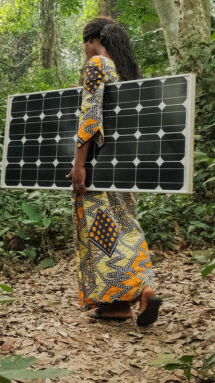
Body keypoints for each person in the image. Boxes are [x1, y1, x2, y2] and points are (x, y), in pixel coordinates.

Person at [66, 17, 161, 325]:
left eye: (85, 44)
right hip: (124, 168)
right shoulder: (124, 71)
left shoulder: (96, 64)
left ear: (93, 41)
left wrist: (79, 164)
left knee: (102, 235)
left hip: (99, 166)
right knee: (125, 230)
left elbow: (91, 118)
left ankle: (142, 289)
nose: (85, 51)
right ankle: (117, 305)